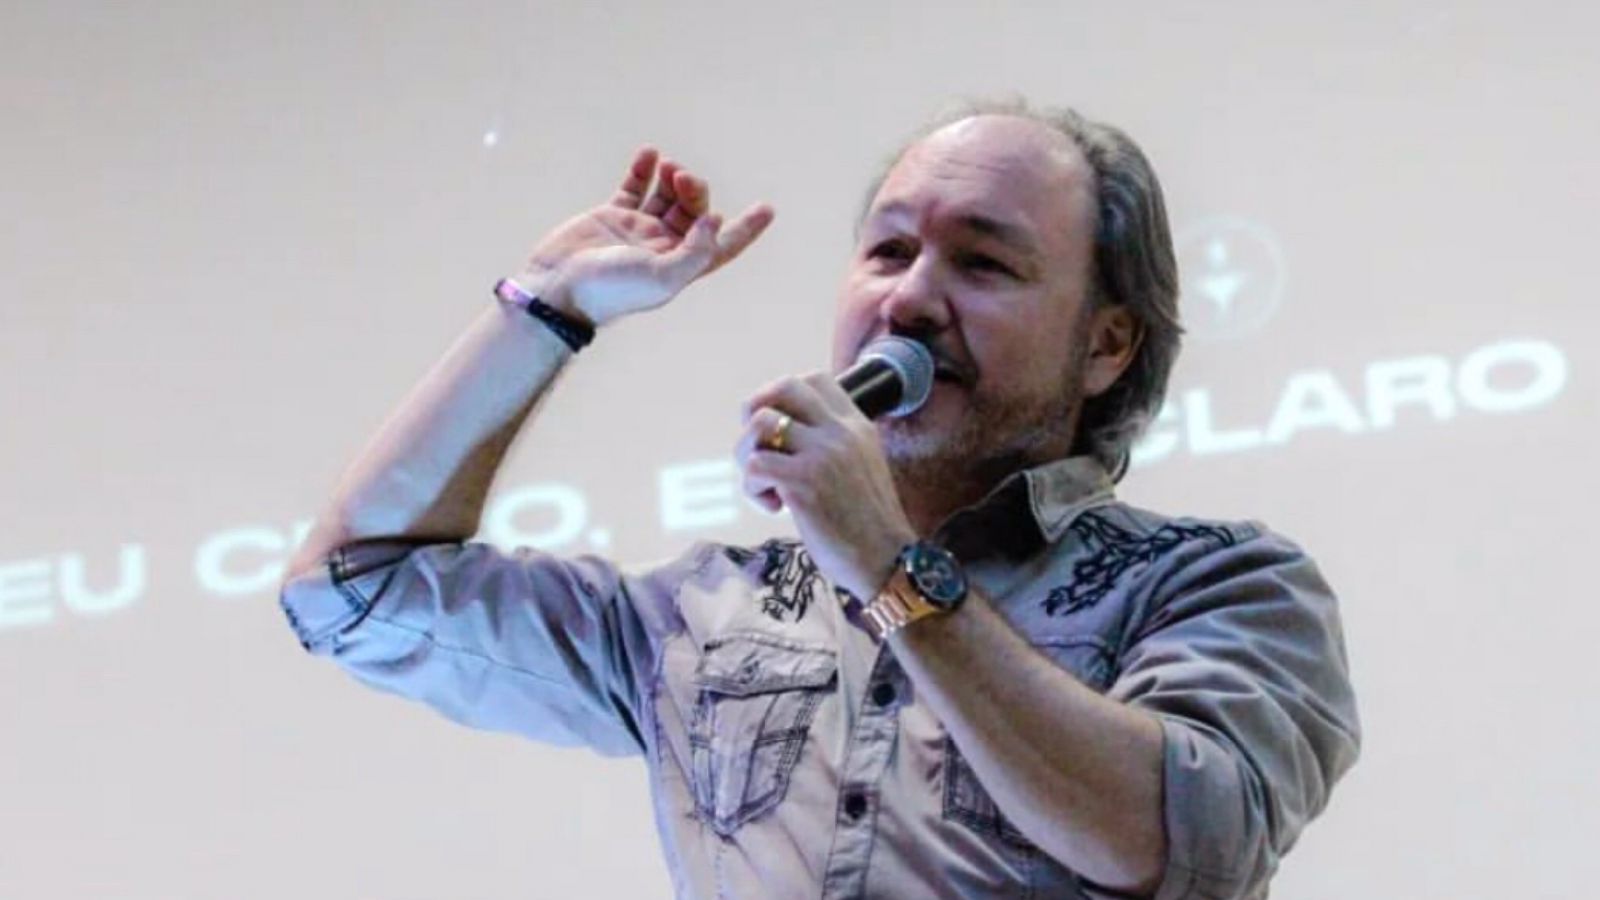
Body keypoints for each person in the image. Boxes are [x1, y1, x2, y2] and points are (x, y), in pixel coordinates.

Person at [280, 99, 1360, 899]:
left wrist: (887, 566)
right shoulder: (702, 616)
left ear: (1106, 344)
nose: (911, 298)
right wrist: (545, 312)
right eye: (889, 250)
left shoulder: (1220, 585)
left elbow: (1183, 848)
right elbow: (349, 588)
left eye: (983, 264)